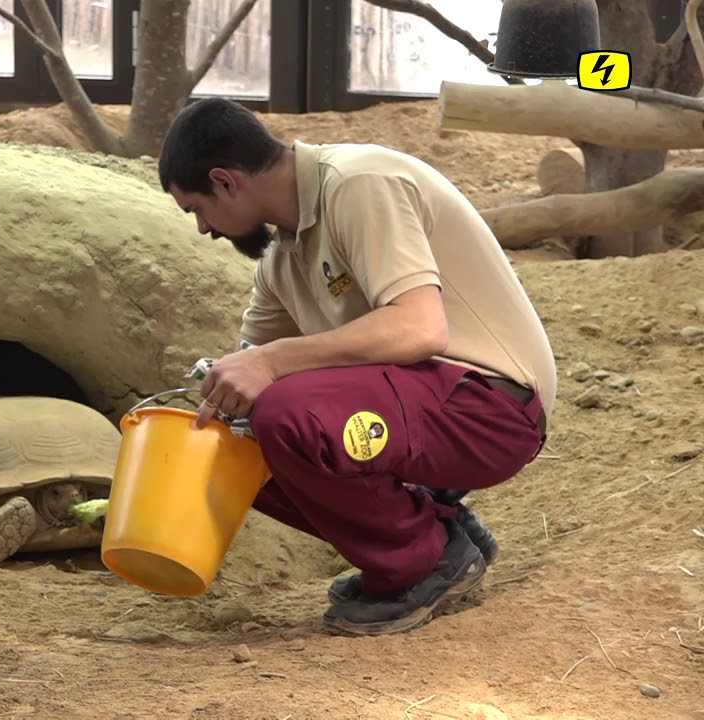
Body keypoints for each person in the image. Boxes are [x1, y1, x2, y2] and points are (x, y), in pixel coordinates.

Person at [157, 97, 555, 636]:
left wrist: (272, 362)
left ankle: (423, 560)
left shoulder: (359, 182)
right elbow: (247, 375)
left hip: (492, 408)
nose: (204, 228)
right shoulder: (281, 260)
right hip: (419, 411)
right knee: (237, 435)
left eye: (197, 209)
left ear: (226, 182)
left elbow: (419, 328)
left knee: (284, 412)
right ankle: (432, 531)